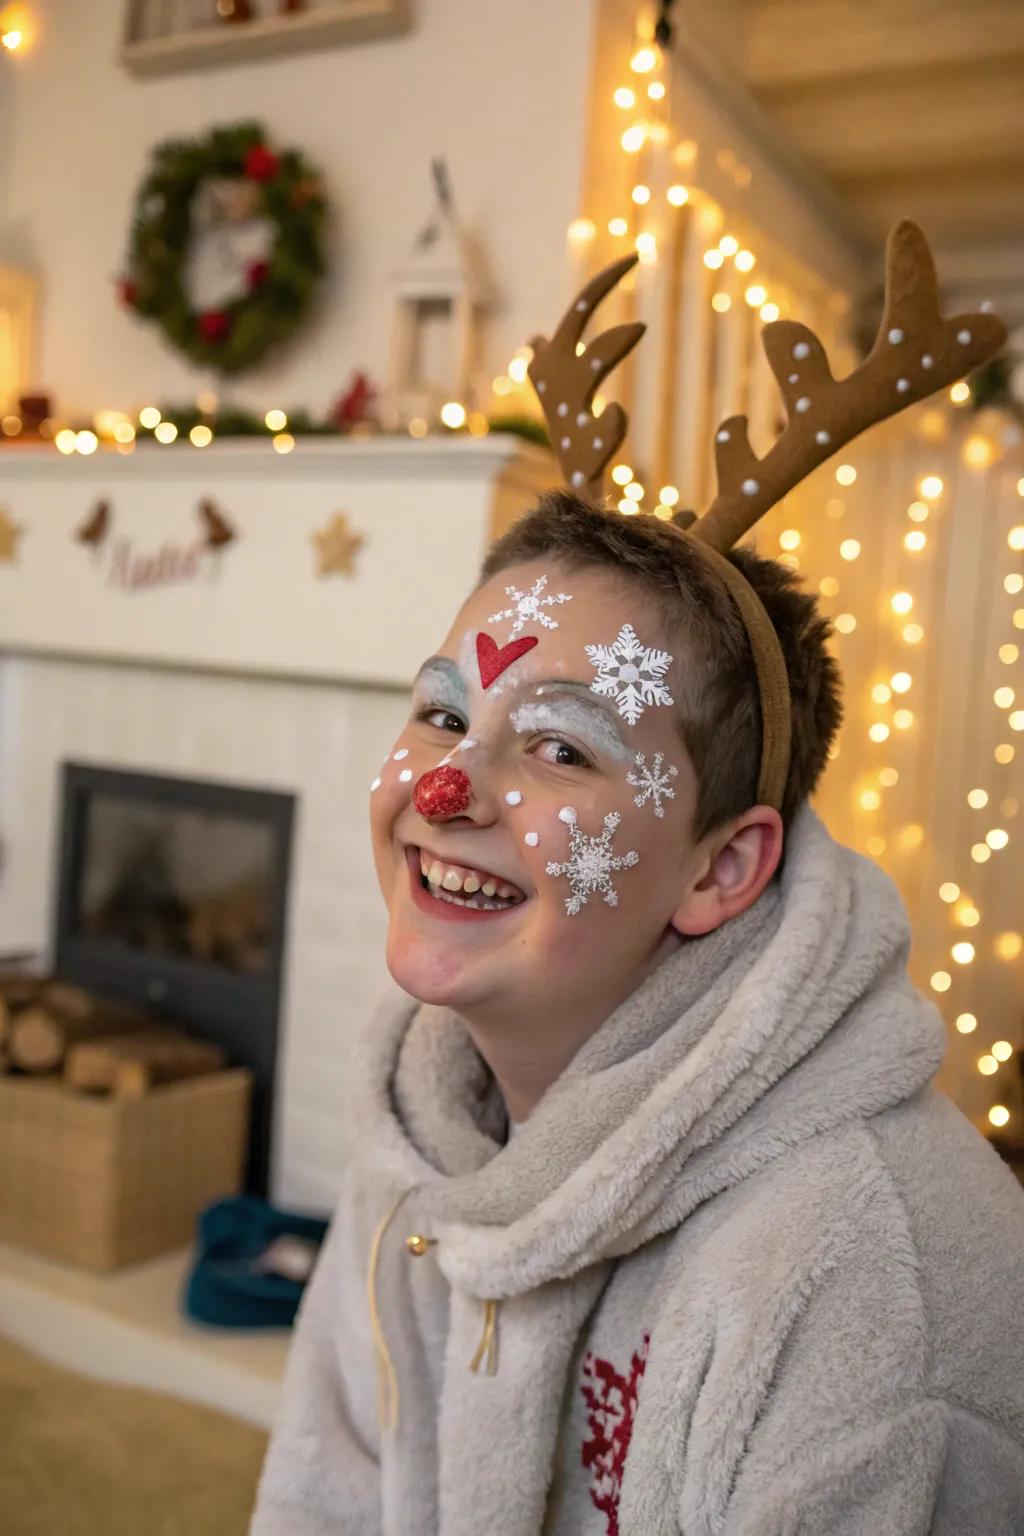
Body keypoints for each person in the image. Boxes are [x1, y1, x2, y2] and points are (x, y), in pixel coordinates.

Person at [251, 233, 1024, 1535]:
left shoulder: (864, 1289)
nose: (449, 789)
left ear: (722, 869)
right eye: (445, 715)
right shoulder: (419, 1135)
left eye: (561, 746)